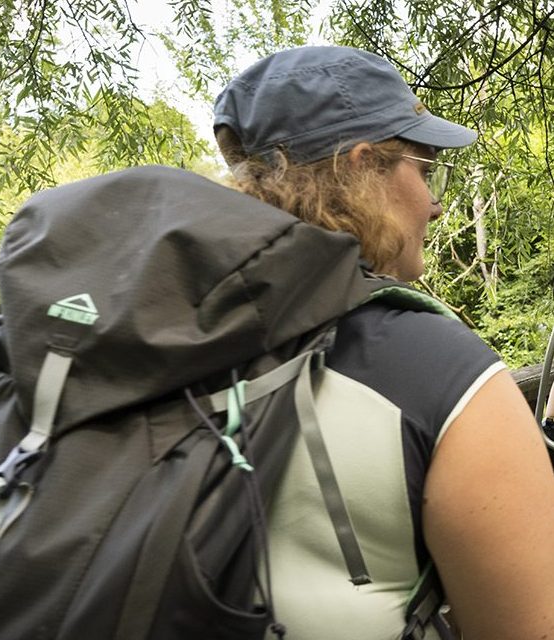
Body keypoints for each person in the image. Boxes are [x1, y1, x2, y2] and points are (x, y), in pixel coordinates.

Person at [213, 46, 554, 640]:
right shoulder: (436, 369)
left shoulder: (175, 334)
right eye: (425, 170)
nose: (436, 202)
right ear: (361, 166)